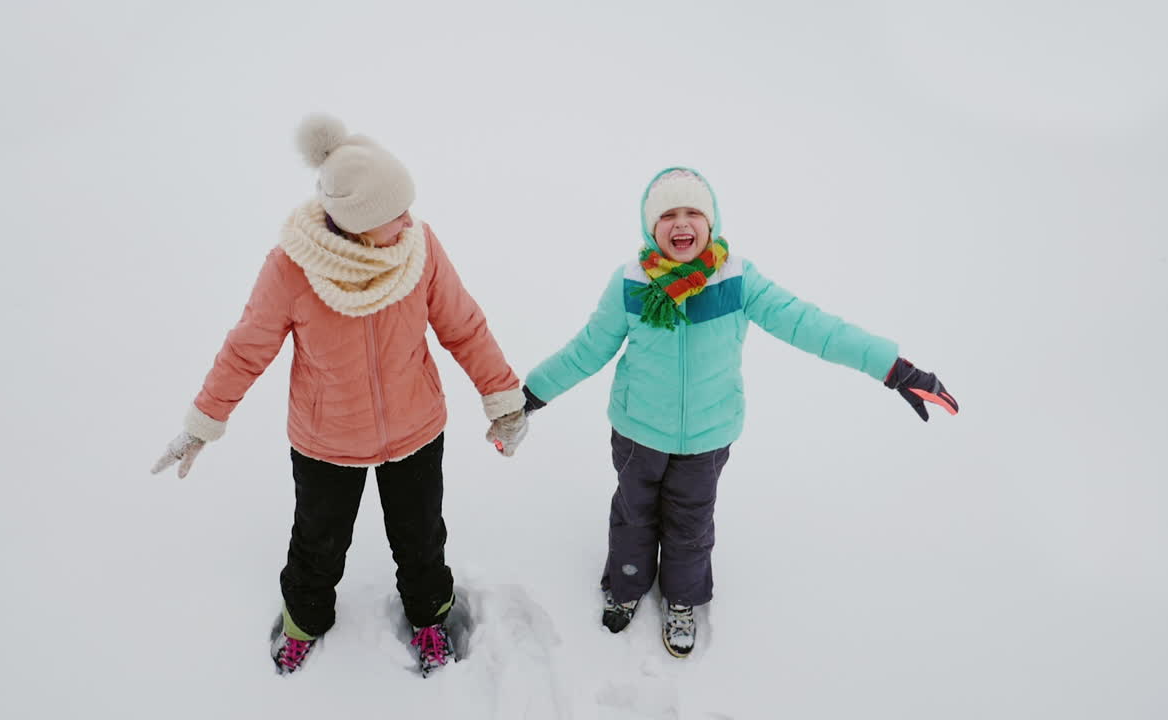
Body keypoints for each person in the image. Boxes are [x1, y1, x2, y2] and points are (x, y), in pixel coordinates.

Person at [520, 167, 958, 658]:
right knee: (633, 516)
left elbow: (811, 325)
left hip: (707, 436)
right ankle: (626, 585)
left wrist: (893, 368)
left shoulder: (737, 280)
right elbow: (587, 349)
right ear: (650, 227)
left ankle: (682, 600)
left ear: (712, 223)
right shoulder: (631, 284)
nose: (681, 223)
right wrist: (529, 396)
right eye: (668, 214)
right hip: (638, 432)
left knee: (690, 526)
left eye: (693, 213)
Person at [151, 114, 529, 677]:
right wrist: (203, 421)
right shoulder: (293, 266)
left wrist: (502, 399)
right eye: (394, 212)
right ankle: (304, 622)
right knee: (317, 544)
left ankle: (430, 617)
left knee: (422, 538)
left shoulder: (418, 246)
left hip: (415, 426)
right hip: (326, 438)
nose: (409, 219)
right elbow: (246, 348)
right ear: (356, 222)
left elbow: (463, 324)